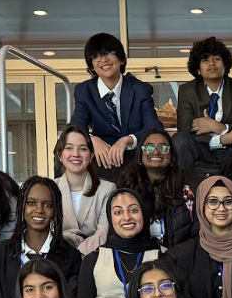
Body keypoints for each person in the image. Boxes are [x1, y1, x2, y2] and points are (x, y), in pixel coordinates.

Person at [70, 32, 161, 180]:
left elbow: (154, 127)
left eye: (110, 53)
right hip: (102, 155)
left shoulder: (140, 90)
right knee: (62, 148)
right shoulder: (84, 91)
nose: (104, 60)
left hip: (133, 154)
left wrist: (127, 140)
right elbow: (76, 126)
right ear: (91, 65)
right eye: (96, 56)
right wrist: (92, 139)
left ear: (122, 59)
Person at [75, 188, 163, 298]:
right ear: (110, 218)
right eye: (118, 212)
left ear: (144, 215)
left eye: (133, 210)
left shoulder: (161, 257)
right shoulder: (93, 260)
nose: (126, 217)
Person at [173, 36, 232, 173]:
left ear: (225, 65)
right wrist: (225, 137)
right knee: (179, 140)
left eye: (217, 59)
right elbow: (185, 130)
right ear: (198, 69)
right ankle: (184, 187)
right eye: (205, 60)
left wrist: (219, 127)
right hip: (201, 149)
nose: (212, 63)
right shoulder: (187, 90)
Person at [116, 128, 198, 250]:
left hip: (180, 258)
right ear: (140, 154)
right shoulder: (127, 185)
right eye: (149, 148)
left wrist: (173, 257)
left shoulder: (188, 187)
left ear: (172, 155)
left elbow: (197, 233)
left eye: (163, 148)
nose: (155, 152)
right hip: (139, 257)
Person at [53, 125, 116, 248]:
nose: (75, 154)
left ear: (91, 155)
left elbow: (102, 233)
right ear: (60, 154)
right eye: (69, 148)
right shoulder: (50, 188)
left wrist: (77, 256)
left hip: (93, 259)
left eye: (82, 149)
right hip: (57, 258)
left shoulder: (107, 189)